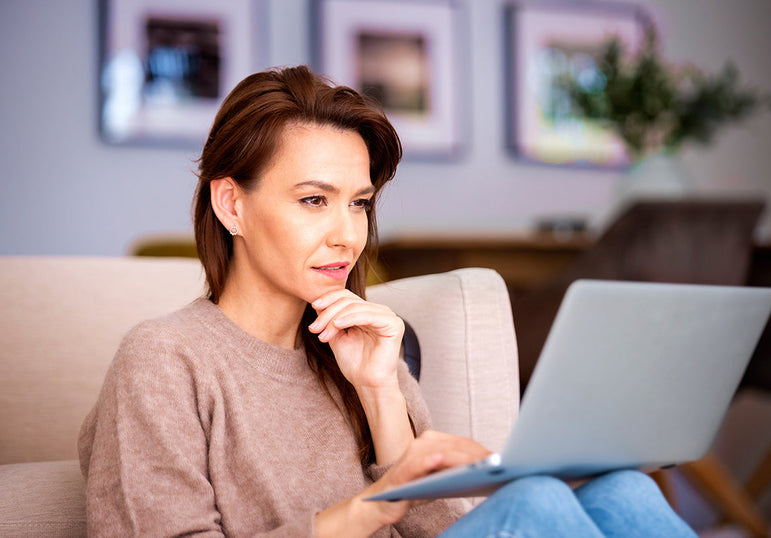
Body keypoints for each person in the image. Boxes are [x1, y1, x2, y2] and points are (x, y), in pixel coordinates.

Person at [78, 65, 696, 537]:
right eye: (314, 200)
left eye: (360, 202)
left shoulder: (361, 351)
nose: (348, 234)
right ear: (231, 205)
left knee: (623, 490)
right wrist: (376, 505)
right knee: (535, 506)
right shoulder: (164, 358)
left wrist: (379, 392)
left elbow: (439, 529)